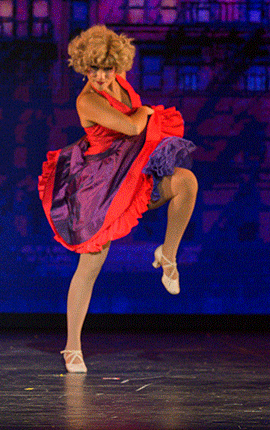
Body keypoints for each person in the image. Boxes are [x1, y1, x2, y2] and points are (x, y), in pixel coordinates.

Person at [38, 25, 198, 374]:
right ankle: (72, 347)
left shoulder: (120, 79)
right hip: (99, 185)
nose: (100, 76)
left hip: (134, 170)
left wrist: (145, 115)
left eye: (106, 69)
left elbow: (134, 130)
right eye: (92, 69)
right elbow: (131, 128)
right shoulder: (88, 99)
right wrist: (148, 113)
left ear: (117, 66)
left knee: (186, 182)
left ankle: (167, 255)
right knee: (91, 264)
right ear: (83, 67)